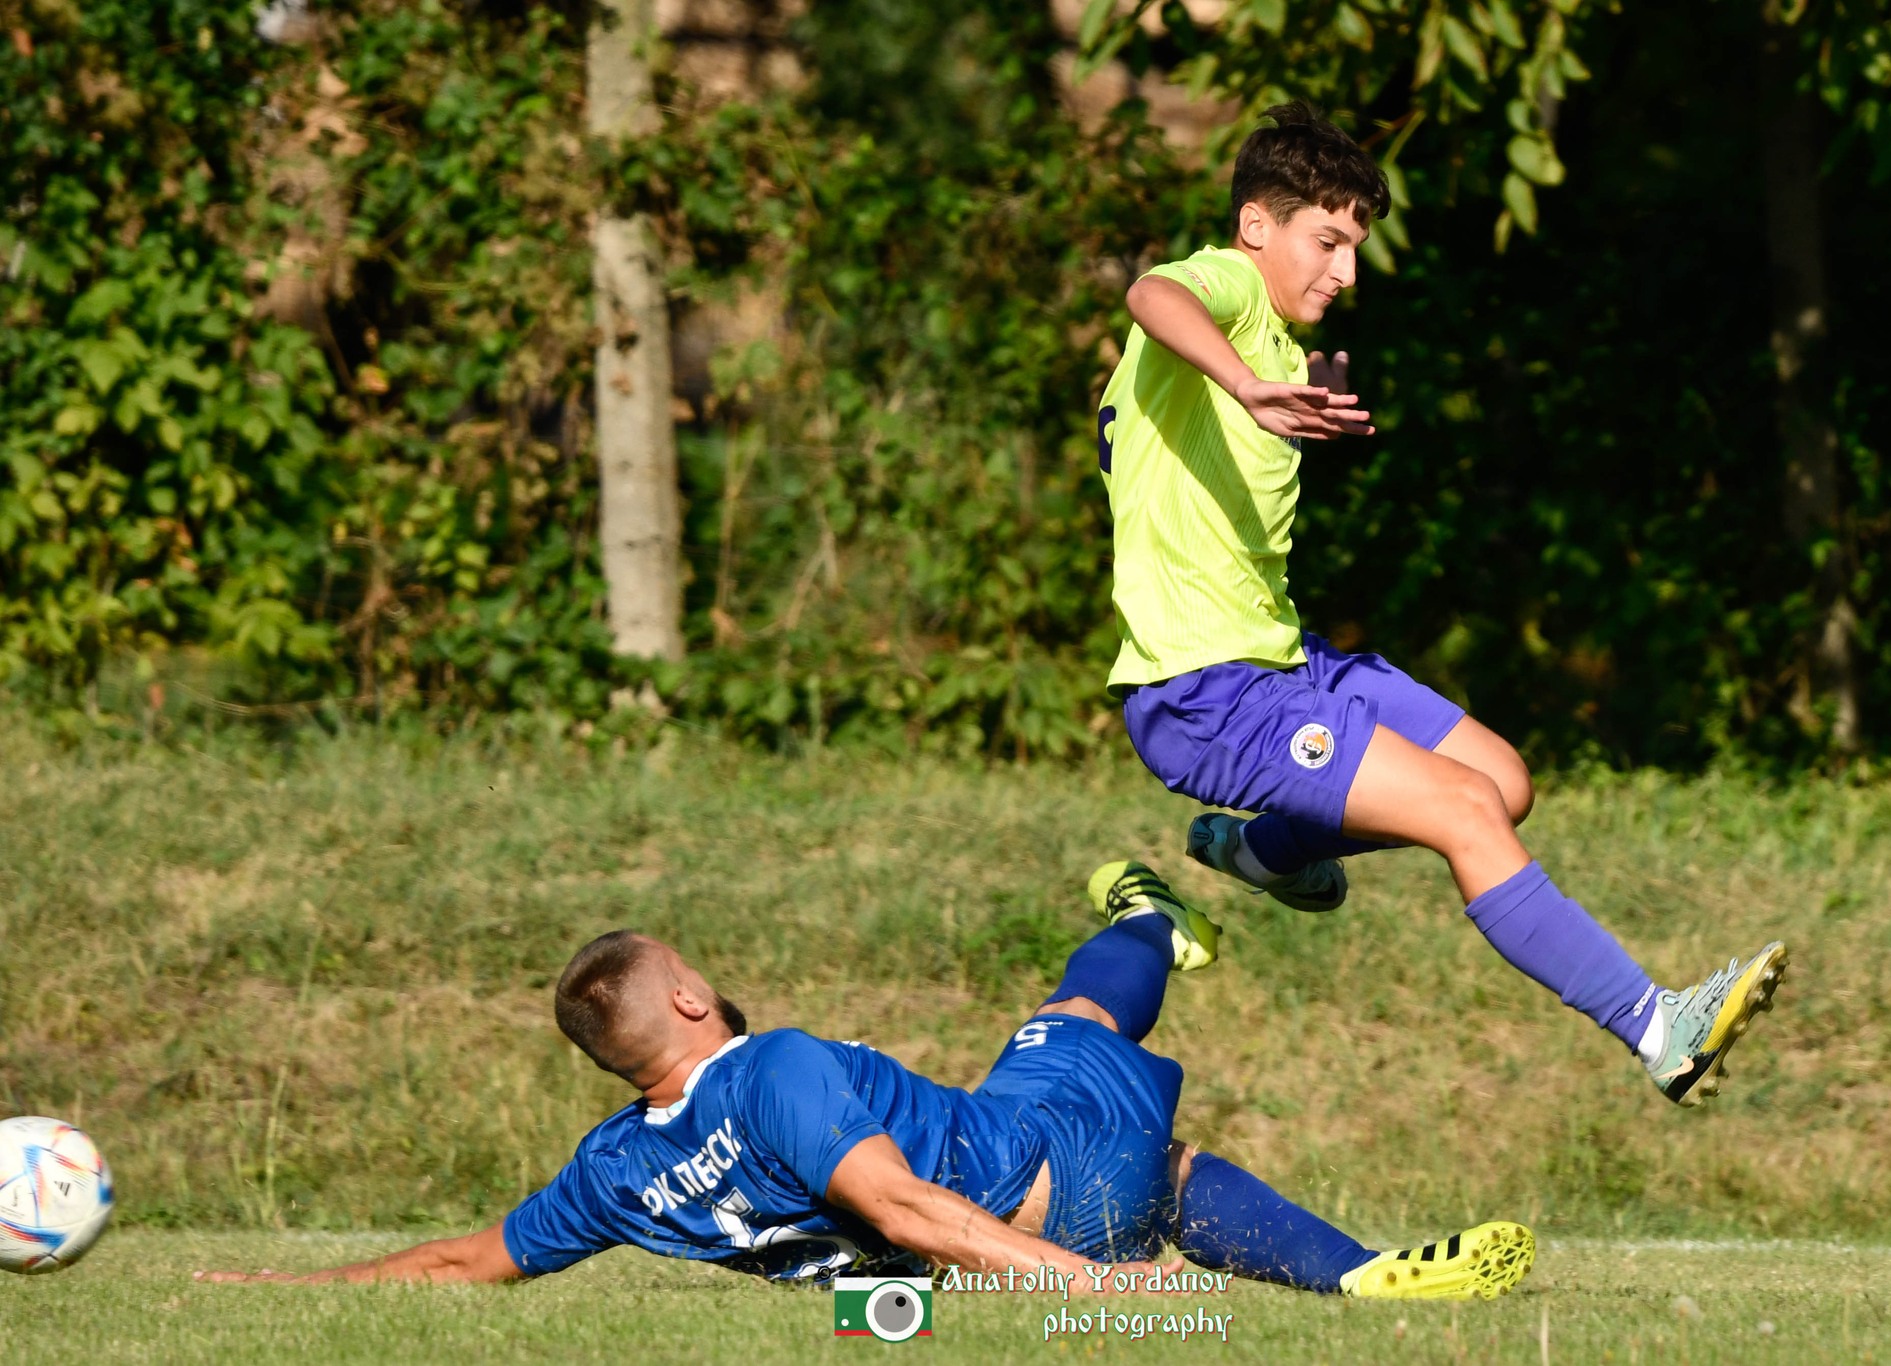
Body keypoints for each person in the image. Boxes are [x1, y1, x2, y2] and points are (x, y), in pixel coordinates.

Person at [1095, 100, 1786, 1107]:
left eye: (1355, 247)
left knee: (1499, 782)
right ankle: (1658, 1028)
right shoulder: (1227, 287)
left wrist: (1271, 393)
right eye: (1327, 241)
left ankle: (1265, 852)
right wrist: (1246, 386)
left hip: (1283, 659)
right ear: (1256, 225)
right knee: (1462, 812)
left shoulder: (1264, 341)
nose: (1346, 271)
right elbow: (1151, 291)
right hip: (1205, 692)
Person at [200, 863, 1534, 1301]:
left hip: (968, 1269)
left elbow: (462, 1260)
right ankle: (1148, 910)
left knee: (1096, 1091)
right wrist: (1088, 1286)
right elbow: (898, 1207)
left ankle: (1360, 1282)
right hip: (1048, 1173)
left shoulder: (613, 1170)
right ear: (686, 999)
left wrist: (270, 1288)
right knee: (1080, 1019)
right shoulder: (770, 1065)